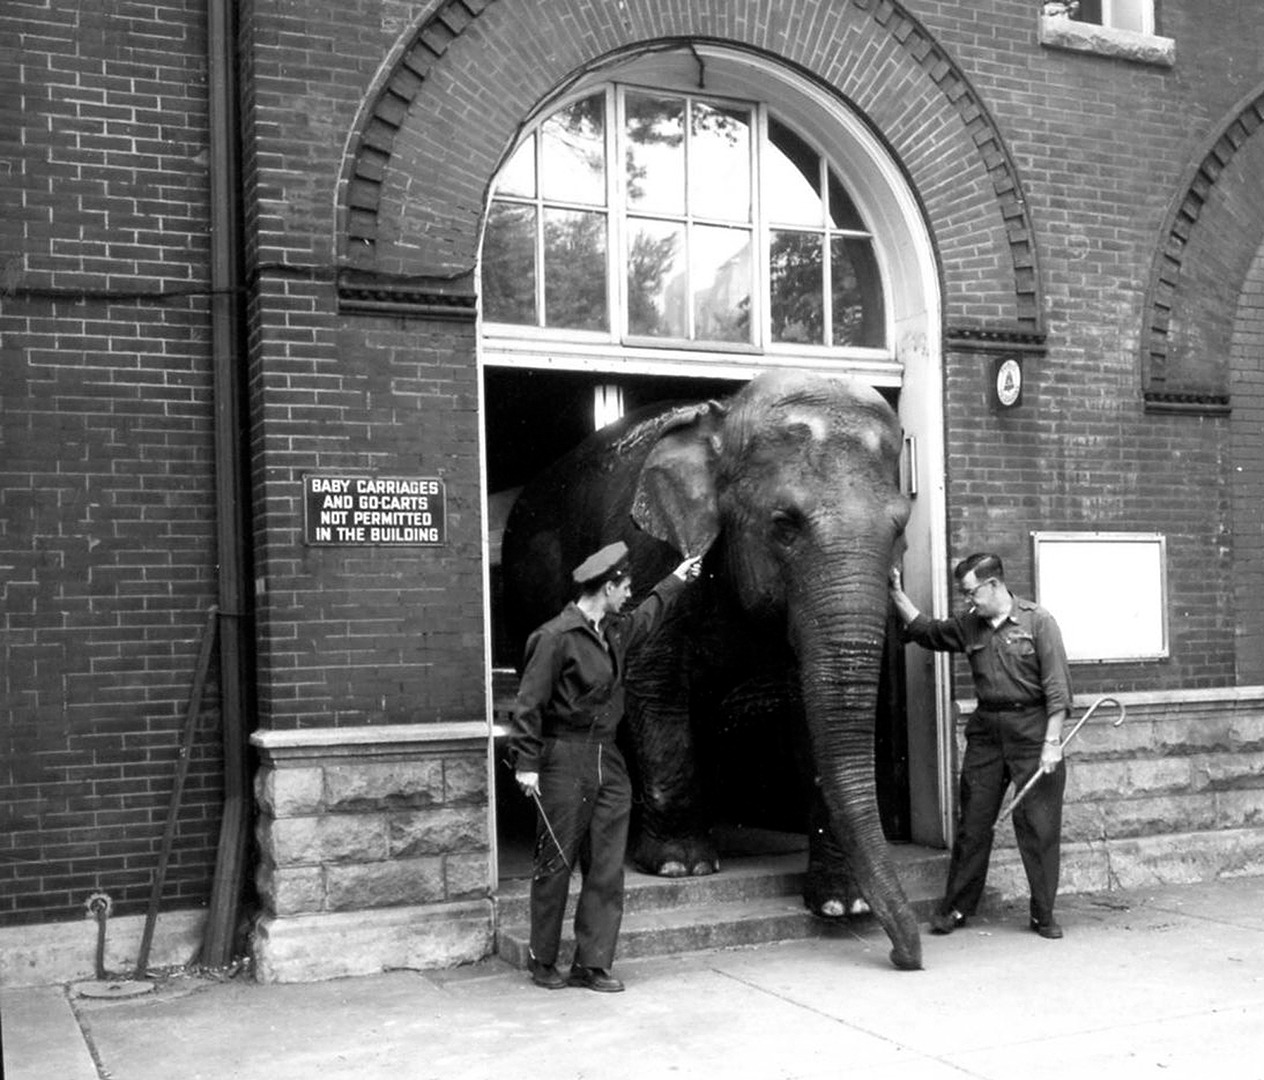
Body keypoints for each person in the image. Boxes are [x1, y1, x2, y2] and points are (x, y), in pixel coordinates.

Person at [510, 540, 703, 992]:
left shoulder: (613, 630)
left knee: (607, 864)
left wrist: (677, 578)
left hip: (607, 757)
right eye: (625, 585)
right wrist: (527, 763)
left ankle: (591, 964)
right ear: (607, 585)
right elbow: (529, 706)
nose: (629, 593)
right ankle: (543, 961)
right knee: (556, 862)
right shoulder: (555, 638)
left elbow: (648, 616)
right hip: (563, 757)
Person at [888, 553, 1073, 940]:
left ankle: (1043, 914)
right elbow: (927, 631)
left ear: (993, 584)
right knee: (974, 824)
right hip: (987, 732)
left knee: (1038, 827)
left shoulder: (1039, 622)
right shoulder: (970, 626)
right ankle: (956, 909)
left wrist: (1052, 743)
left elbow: (1058, 690)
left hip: (1033, 730)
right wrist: (896, 593)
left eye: (972, 592)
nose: (968, 601)